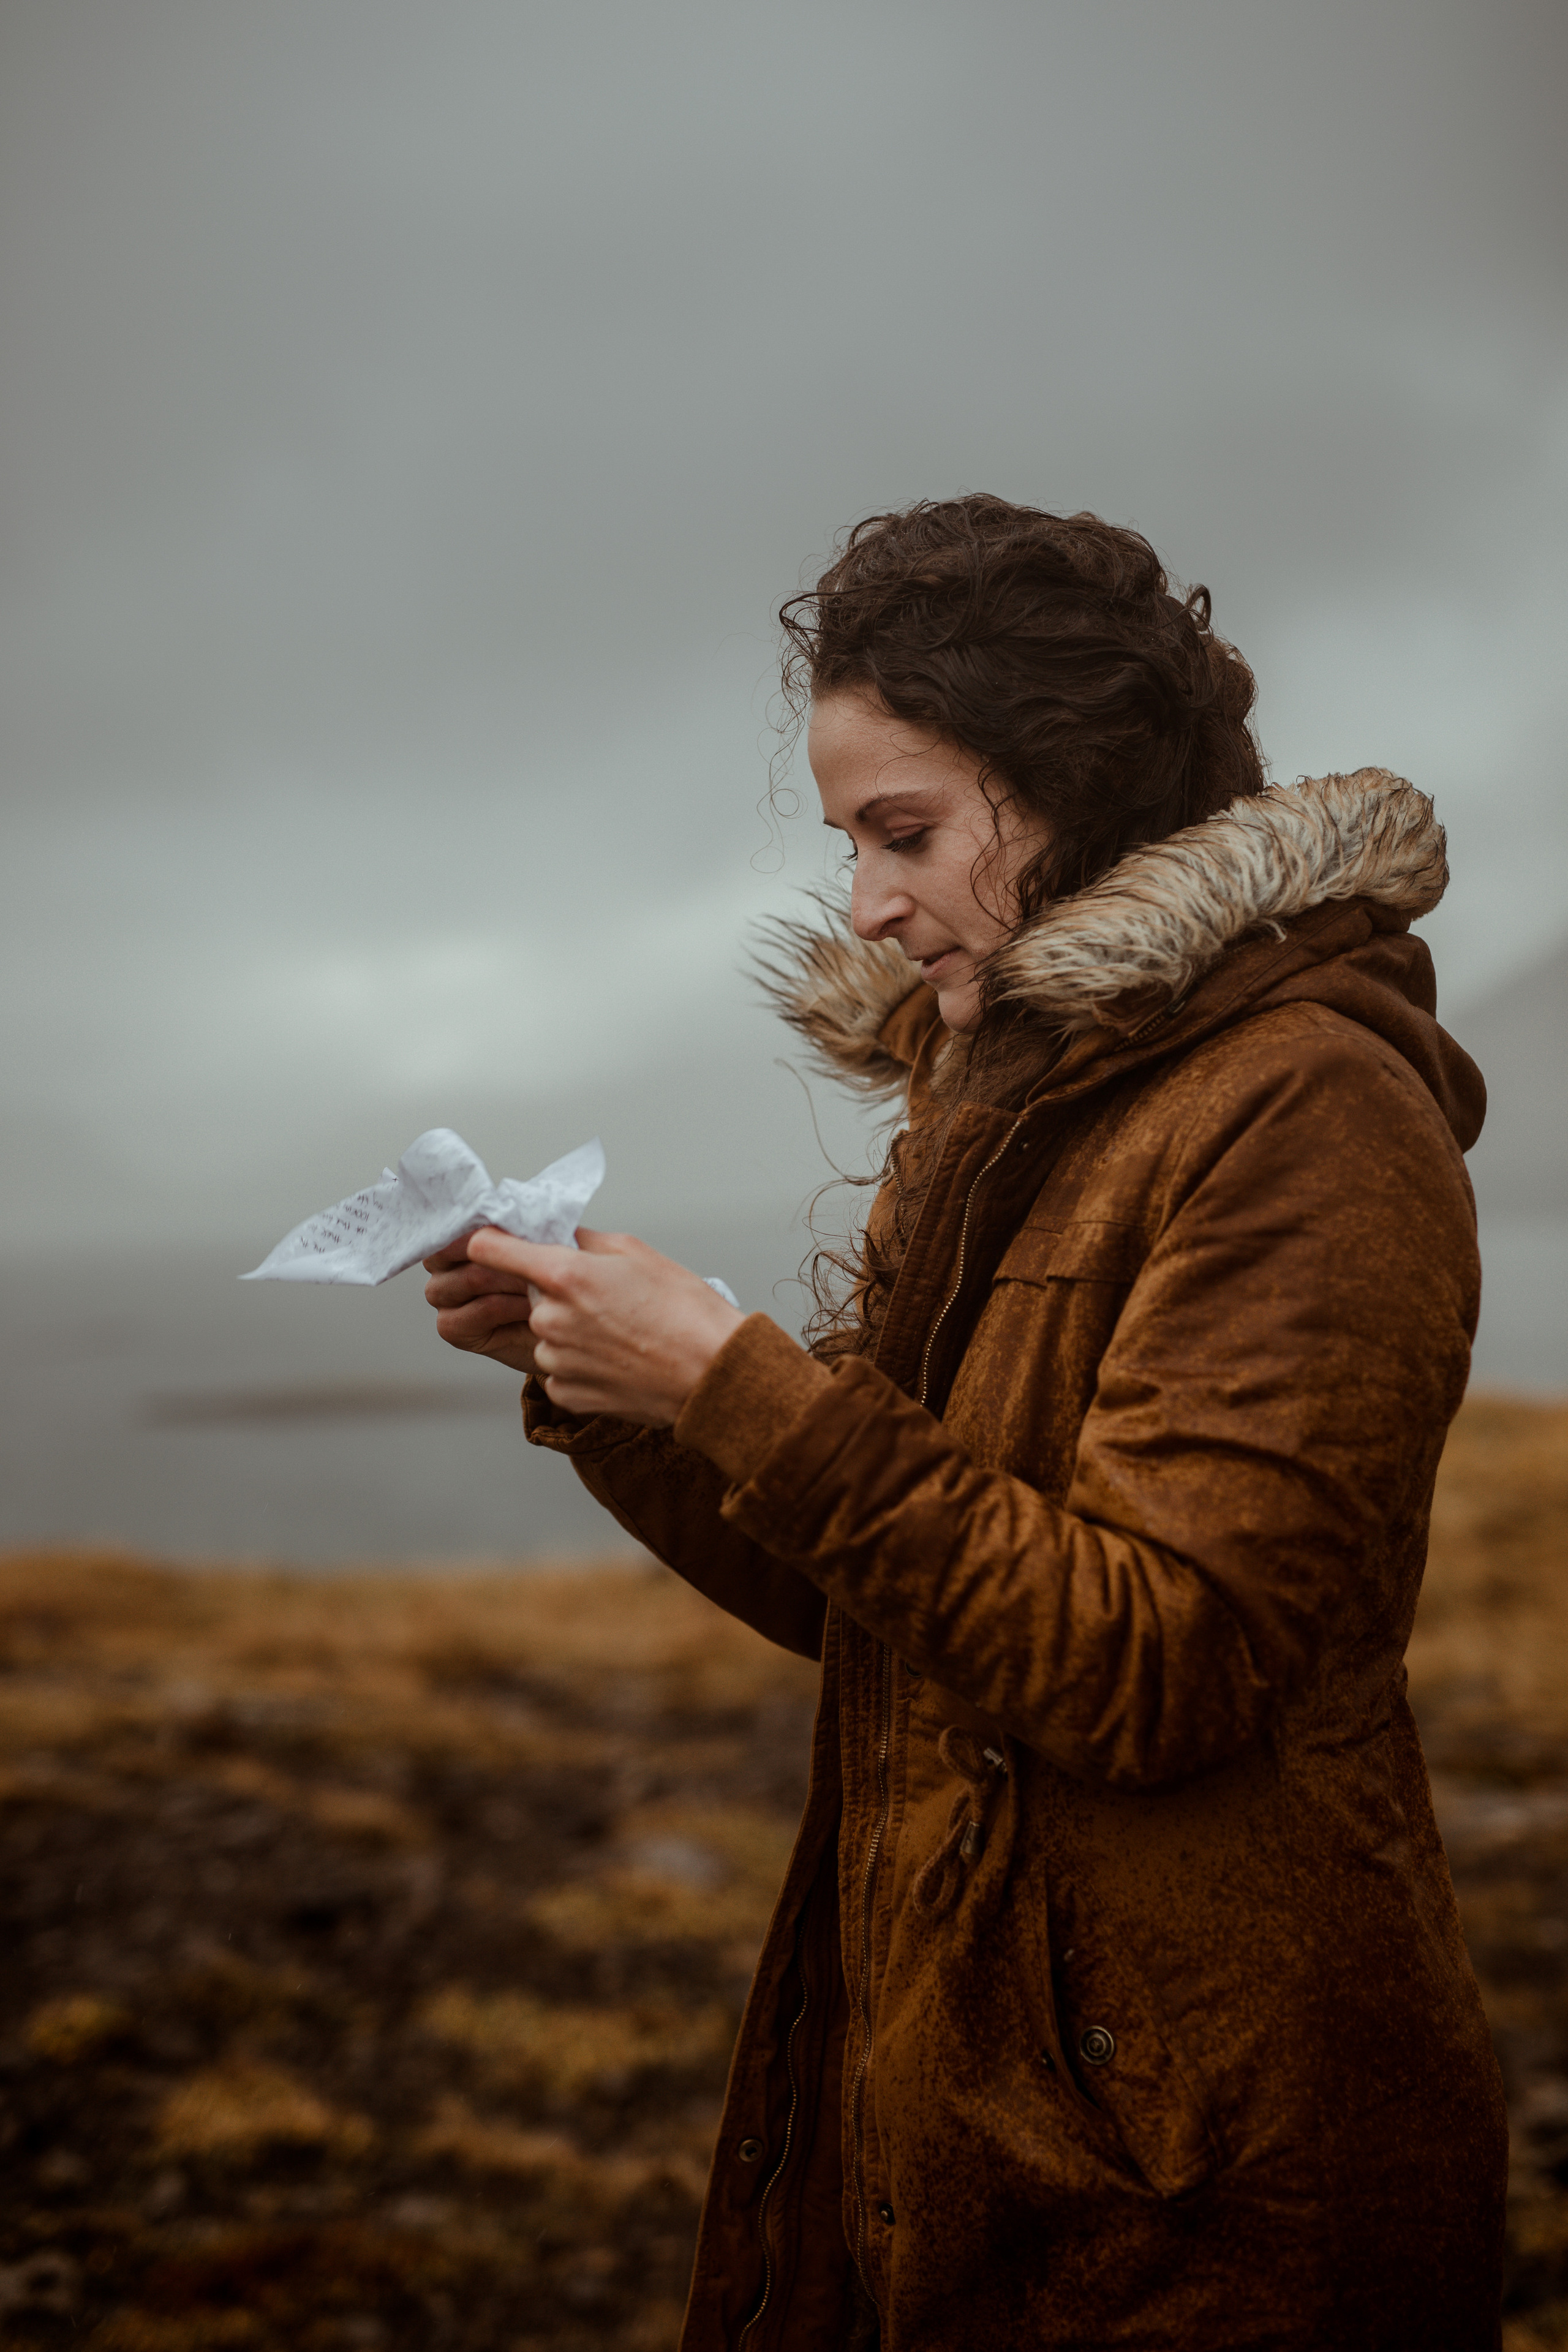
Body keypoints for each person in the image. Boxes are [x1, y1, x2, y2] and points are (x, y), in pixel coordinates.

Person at [423, 497, 1507, 2352]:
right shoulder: (1017, 1101)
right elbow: (903, 1611)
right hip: (985, 2091)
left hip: (1210, 2176)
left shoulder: (1308, 1109)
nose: (865, 901)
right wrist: (614, 1390)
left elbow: (1160, 1661)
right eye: (852, 840)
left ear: (1073, 792)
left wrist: (738, 1379)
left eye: (903, 832)